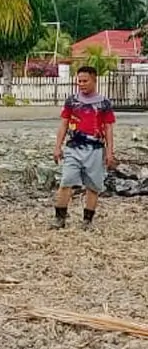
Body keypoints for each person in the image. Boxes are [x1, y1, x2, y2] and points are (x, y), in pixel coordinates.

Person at [52, 66, 116, 230]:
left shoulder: (104, 103)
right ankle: (59, 218)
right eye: (79, 81)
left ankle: (87, 220)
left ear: (94, 80)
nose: (81, 84)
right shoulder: (72, 101)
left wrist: (109, 152)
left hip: (95, 149)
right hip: (73, 147)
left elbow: (108, 128)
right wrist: (57, 147)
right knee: (66, 182)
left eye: (85, 81)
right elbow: (64, 124)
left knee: (93, 186)